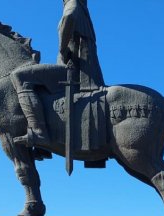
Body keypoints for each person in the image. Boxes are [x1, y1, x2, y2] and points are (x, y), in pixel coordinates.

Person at [13, 0, 104, 148]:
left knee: (20, 76)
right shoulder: (82, 10)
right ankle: (44, 146)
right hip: (79, 69)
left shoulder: (73, 4)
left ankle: (39, 132)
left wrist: (62, 49)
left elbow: (69, 18)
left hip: (72, 71)